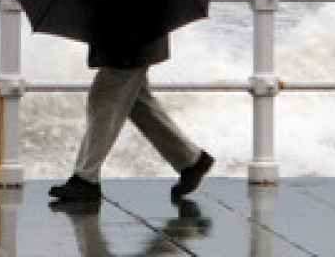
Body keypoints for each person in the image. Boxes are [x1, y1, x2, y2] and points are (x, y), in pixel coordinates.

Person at [47, 30, 214, 203]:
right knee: (137, 103)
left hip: (131, 36)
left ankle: (85, 179)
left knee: (104, 97)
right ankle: (191, 160)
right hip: (135, 35)